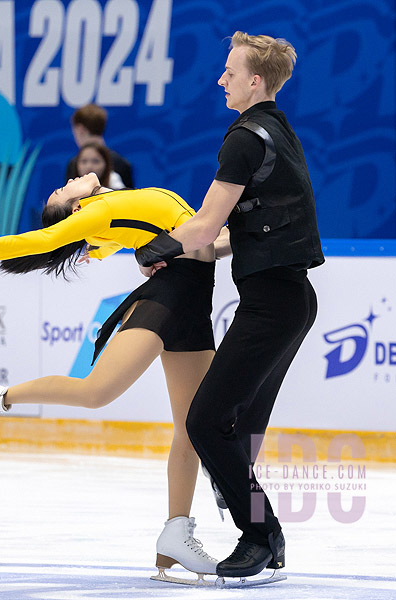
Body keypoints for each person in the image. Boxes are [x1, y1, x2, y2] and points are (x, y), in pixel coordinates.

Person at [0, 172, 219, 583]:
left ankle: (175, 537)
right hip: (166, 299)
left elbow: (181, 236)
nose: (67, 180)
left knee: (191, 430)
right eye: (61, 189)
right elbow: (49, 240)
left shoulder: (115, 206)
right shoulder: (95, 209)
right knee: (95, 392)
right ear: (73, 207)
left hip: (194, 305)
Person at [135, 31, 325, 584]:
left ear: (255, 81)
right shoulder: (279, 132)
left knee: (205, 422)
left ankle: (260, 538)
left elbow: (203, 224)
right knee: (234, 432)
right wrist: (192, 248)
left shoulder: (244, 138)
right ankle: (270, 537)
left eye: (230, 71)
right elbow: (238, 233)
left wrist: (156, 247)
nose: (222, 79)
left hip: (272, 305)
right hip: (289, 299)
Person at [65, 104, 134, 188]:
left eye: (96, 161)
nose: (89, 166)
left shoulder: (74, 164)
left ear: (80, 129)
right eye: (84, 161)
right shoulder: (122, 162)